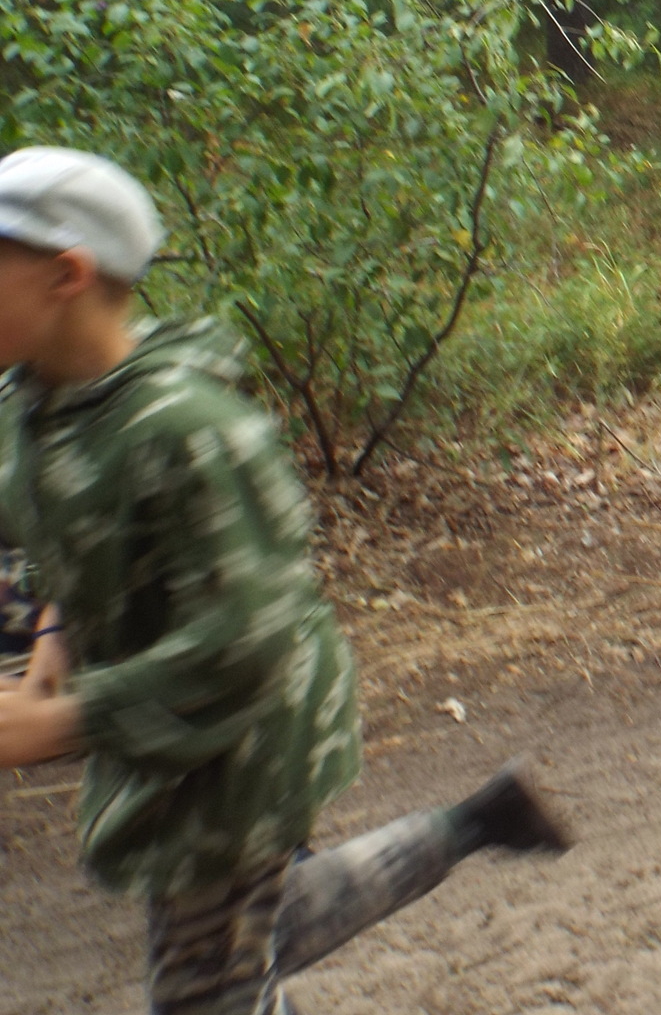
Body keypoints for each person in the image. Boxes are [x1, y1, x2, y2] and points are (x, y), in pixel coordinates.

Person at [0, 146, 570, 1015]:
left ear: (66, 276)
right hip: (160, 728)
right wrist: (51, 633)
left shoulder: (191, 433)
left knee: (205, 986)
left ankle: (475, 823)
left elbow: (246, 646)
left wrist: (56, 723)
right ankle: (478, 821)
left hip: (241, 744)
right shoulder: (31, 402)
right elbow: (56, 518)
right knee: (253, 933)